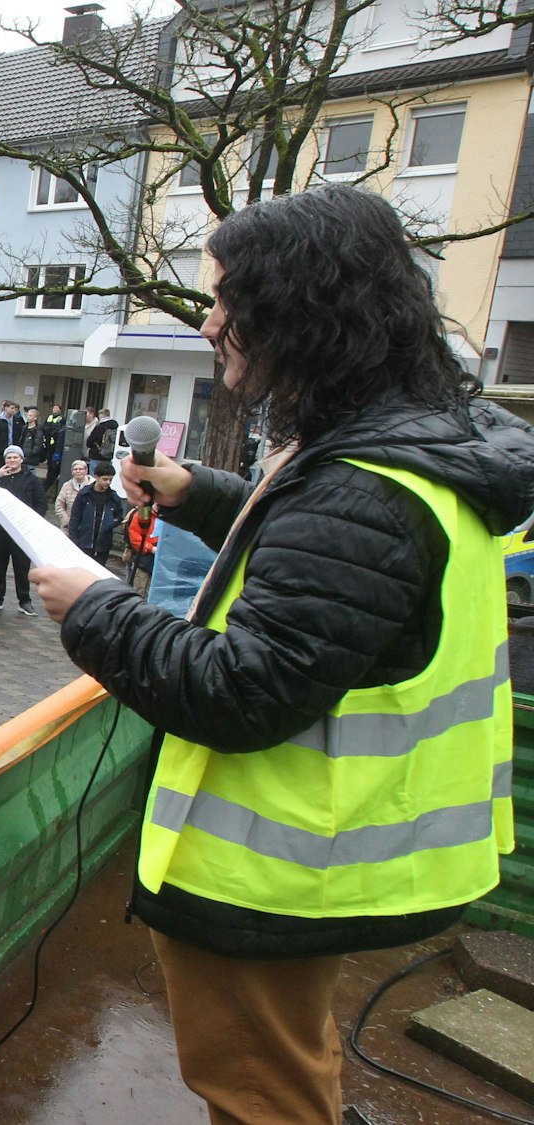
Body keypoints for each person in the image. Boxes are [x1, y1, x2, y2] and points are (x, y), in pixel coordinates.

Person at [30, 186, 530, 1125]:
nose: (211, 321)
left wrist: (94, 609)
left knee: (261, 1094)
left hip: (286, 877)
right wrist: (200, 493)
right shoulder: (418, 445)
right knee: (291, 1065)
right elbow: (327, 561)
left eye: (226, 300)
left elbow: (241, 690)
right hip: (356, 853)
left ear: (298, 311)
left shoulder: (361, 487)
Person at [0, 446, 42, 615]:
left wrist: (33, 520)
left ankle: (24, 600)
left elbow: (40, 502)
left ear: (22, 460)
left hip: (22, 530)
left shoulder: (31, 479)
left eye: (16, 457)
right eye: (9, 458)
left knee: (21, 567)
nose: (12, 460)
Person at [67, 461, 122, 564]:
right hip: (84, 541)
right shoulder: (84, 494)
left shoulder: (113, 497)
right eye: (105, 479)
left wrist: (109, 524)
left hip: (103, 544)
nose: (108, 482)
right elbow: (75, 517)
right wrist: (73, 539)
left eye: (110, 479)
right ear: (96, 477)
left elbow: (119, 516)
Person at [54, 460, 90, 524]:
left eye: (80, 469)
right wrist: (66, 520)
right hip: (69, 525)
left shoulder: (92, 485)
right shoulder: (66, 486)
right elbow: (59, 504)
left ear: (86, 470)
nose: (78, 471)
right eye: (75, 469)